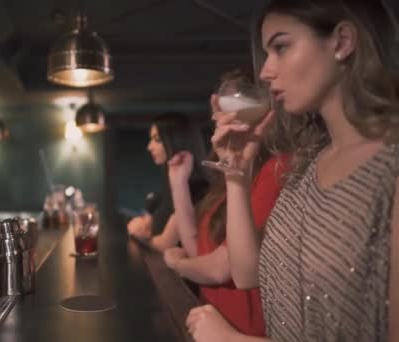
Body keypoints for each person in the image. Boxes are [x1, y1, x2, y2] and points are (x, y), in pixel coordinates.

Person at [186, 1, 399, 341]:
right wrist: (237, 175)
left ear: (342, 41)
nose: (266, 71)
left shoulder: (389, 169)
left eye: (281, 47)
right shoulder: (308, 164)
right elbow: (247, 274)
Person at [163, 68, 289, 336]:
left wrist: (177, 265)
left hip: (243, 331)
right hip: (212, 326)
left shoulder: (275, 169)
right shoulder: (232, 175)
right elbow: (200, 250)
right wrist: (178, 183)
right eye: (222, 97)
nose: (217, 108)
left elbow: (221, 268)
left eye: (231, 95)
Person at [127, 113, 208, 249]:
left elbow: (165, 244)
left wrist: (140, 236)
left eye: (157, 139)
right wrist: (145, 223)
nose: (149, 147)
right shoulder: (169, 183)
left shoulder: (194, 190)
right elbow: (156, 216)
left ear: (176, 141)